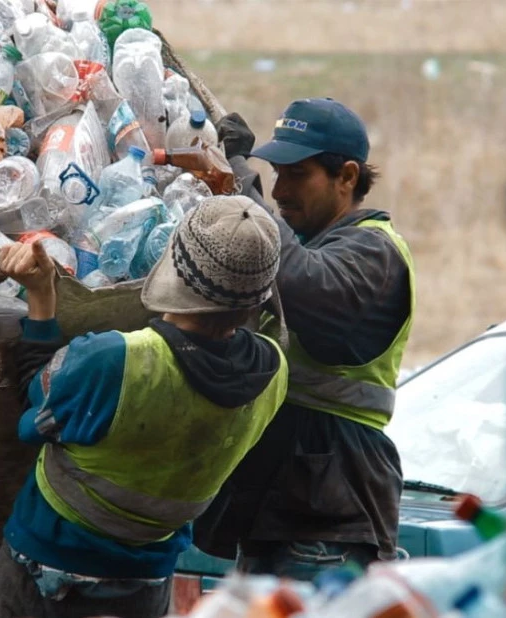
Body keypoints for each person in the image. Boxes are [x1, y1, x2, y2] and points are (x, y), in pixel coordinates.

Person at [0, 195, 289, 618]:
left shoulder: (115, 360)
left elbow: (33, 398)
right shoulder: (274, 371)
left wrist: (40, 295)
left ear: (172, 268)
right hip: (147, 581)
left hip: (49, 569)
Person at [193, 98, 416, 579]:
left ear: (347, 177)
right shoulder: (311, 243)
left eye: (297, 175)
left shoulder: (374, 251)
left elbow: (299, 280)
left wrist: (240, 183)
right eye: (276, 174)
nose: (280, 191)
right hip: (281, 509)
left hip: (330, 516)